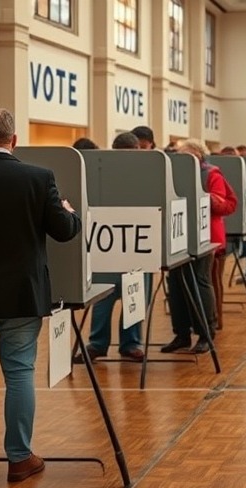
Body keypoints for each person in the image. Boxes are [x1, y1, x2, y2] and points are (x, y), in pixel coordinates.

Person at [0, 108, 81, 482]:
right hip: (22, 295)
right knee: (20, 373)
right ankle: (18, 458)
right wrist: (68, 212)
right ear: (13, 141)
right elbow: (64, 232)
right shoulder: (39, 178)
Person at [74, 132, 152, 363]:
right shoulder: (143, 171)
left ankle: (104, 344)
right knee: (122, 296)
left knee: (118, 296)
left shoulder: (102, 169)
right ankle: (124, 344)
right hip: (127, 242)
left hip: (113, 242)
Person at [162, 140, 236, 353]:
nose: (183, 158)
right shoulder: (172, 173)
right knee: (175, 285)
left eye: (188, 154)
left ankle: (206, 333)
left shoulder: (212, 175)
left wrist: (207, 199)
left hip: (205, 237)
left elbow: (225, 204)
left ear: (199, 155)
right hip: (177, 236)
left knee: (200, 283)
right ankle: (181, 334)